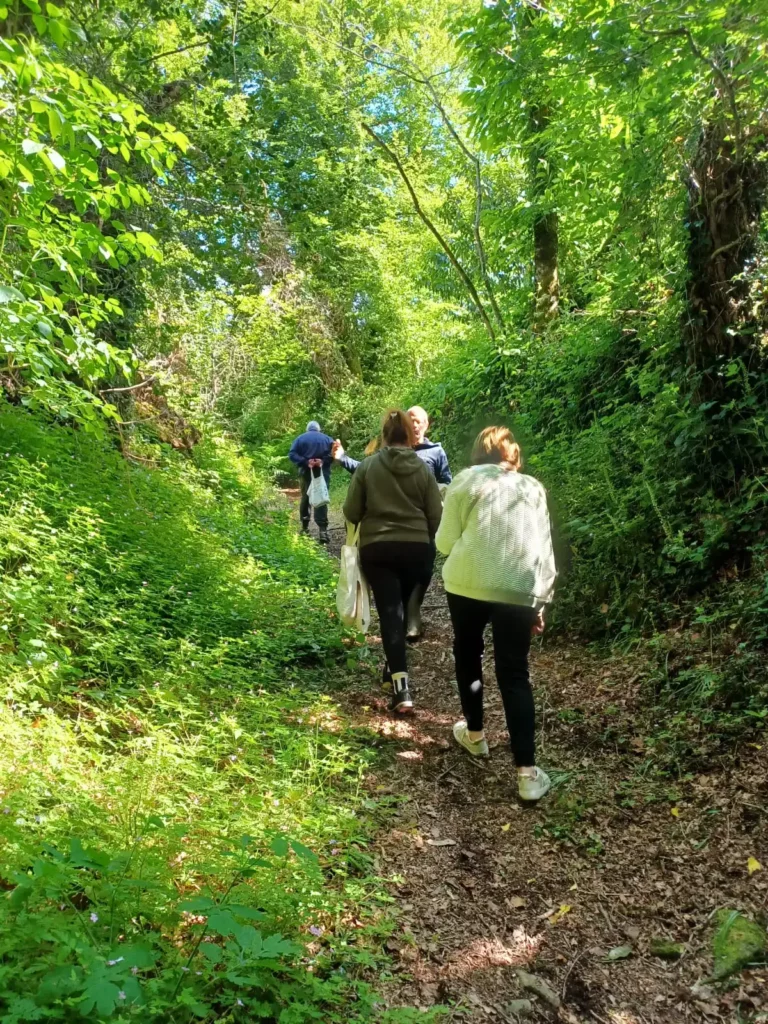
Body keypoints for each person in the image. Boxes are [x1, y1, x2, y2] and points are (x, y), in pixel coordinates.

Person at [436, 426, 557, 801]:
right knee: (515, 673)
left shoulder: (465, 481)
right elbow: (545, 551)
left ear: (479, 452)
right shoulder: (532, 488)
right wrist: (540, 600)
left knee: (468, 653)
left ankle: (474, 736)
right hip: (519, 589)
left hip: (467, 584)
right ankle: (527, 774)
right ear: (514, 454)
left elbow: (443, 542)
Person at [342, 409, 442, 714]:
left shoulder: (368, 467)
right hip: (416, 549)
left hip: (379, 549)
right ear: (409, 436)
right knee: (398, 608)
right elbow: (436, 514)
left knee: (389, 611)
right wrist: (421, 537)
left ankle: (402, 690)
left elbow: (350, 511)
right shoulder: (424, 469)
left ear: (384, 435)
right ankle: (393, 664)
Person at [333, 406, 451, 639]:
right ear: (406, 427)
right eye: (412, 420)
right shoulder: (386, 463)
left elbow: (447, 486)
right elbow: (366, 471)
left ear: (427, 425)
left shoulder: (436, 453)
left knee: (411, 582)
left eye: (420, 421)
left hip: (401, 536)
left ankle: (411, 615)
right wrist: (344, 459)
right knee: (399, 588)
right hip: (410, 537)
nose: (415, 424)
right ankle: (405, 620)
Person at [288, 420, 333, 544]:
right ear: (319, 429)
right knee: (321, 497)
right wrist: (322, 461)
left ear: (308, 429)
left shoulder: (300, 439)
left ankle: (305, 528)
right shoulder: (328, 439)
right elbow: (334, 454)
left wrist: (306, 462)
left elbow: (292, 454)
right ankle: (323, 531)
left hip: (306, 473)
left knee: (305, 498)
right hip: (323, 474)